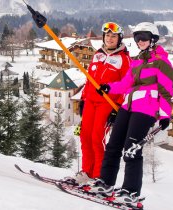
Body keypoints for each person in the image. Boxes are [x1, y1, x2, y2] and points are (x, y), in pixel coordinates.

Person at [87, 22, 173, 204]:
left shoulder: (162, 62)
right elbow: (125, 84)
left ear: (153, 39)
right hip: (127, 106)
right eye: (137, 38)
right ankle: (106, 183)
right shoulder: (137, 61)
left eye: (144, 38)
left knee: (132, 150)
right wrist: (108, 88)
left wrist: (165, 115)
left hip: (146, 109)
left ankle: (130, 191)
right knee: (113, 145)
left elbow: (166, 91)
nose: (140, 41)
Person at [67, 22, 131, 185]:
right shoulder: (98, 54)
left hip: (108, 103)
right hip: (90, 102)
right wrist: (83, 99)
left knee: (97, 137)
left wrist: (117, 109)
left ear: (119, 39)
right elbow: (90, 80)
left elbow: (127, 85)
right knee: (85, 135)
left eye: (113, 36)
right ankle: (87, 172)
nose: (110, 39)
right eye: (107, 35)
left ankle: (98, 175)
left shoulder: (124, 59)